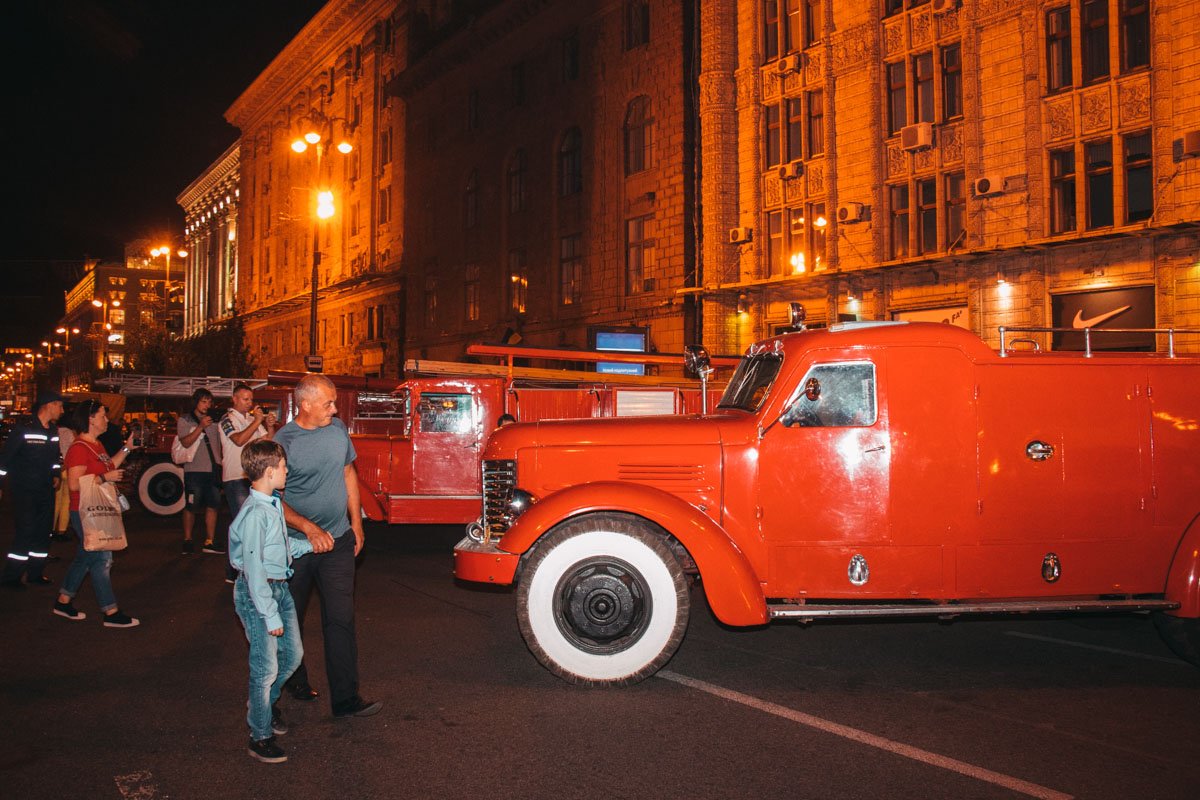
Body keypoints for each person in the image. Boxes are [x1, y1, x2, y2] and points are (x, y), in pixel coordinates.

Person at [276, 374, 381, 718]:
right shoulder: (283, 442)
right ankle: (294, 681)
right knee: (289, 619)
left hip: (338, 541)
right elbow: (272, 499)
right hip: (295, 546)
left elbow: (348, 473)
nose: (335, 410)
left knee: (340, 619)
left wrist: (357, 523)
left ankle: (345, 699)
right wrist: (308, 528)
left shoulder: (337, 430)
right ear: (305, 405)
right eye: (328, 404)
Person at [229, 440, 312, 764]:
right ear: (268, 471)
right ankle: (259, 735)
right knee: (265, 669)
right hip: (258, 594)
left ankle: (262, 705)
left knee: (292, 657)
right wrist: (269, 614)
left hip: (279, 589)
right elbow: (253, 568)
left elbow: (279, 547)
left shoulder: (273, 503)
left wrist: (310, 544)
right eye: (283, 466)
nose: (287, 471)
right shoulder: (255, 513)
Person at [53, 400, 140, 627]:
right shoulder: (79, 448)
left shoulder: (96, 445)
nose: (107, 420)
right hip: (85, 511)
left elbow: (109, 466)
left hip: (96, 509)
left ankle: (63, 601)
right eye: (102, 415)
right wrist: (103, 478)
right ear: (90, 419)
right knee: (102, 559)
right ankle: (110, 611)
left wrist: (127, 448)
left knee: (86, 557)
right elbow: (74, 484)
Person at [0, 390, 65, 588]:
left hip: (46, 490)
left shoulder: (53, 431)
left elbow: (55, 458)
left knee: (43, 533)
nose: (62, 410)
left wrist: (56, 474)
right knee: (26, 532)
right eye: (60, 406)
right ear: (49, 405)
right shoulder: (24, 429)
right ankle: (11, 577)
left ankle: (35, 573)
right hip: (25, 491)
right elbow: (5, 460)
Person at [219, 384, 277, 584]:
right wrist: (258, 421)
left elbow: (267, 441)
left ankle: (244, 570)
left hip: (252, 477)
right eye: (245, 399)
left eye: (251, 399)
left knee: (252, 525)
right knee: (242, 525)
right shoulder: (227, 419)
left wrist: (269, 425)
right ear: (234, 399)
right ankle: (234, 571)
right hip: (235, 477)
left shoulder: (252, 420)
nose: (249, 403)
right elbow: (238, 440)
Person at [177, 388, 223, 555]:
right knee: (191, 506)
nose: (207, 405)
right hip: (194, 470)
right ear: (196, 402)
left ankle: (209, 541)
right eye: (204, 401)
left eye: (209, 402)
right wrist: (200, 426)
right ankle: (188, 540)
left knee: (213, 505)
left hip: (213, 469)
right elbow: (185, 442)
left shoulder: (215, 420)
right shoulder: (185, 419)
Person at [51, 422, 76, 541]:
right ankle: (62, 530)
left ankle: (51, 529)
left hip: (57, 469)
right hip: (68, 469)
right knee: (66, 501)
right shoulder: (70, 433)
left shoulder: (53, 432)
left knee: (56, 500)